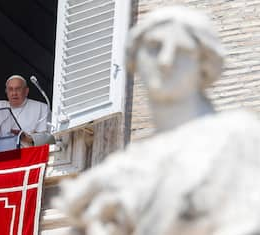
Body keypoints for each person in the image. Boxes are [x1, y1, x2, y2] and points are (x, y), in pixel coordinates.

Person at [53, 6, 260, 235]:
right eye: (154, 47)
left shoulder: (241, 138)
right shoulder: (122, 169)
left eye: (182, 50)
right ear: (134, 59)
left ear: (203, 63)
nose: (165, 60)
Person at [0, 68, 53, 147]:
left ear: (26, 91)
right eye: (10, 89)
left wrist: (30, 138)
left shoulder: (41, 108)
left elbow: (51, 137)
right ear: (6, 92)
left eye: (18, 89)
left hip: (29, 156)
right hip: (2, 154)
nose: (14, 93)